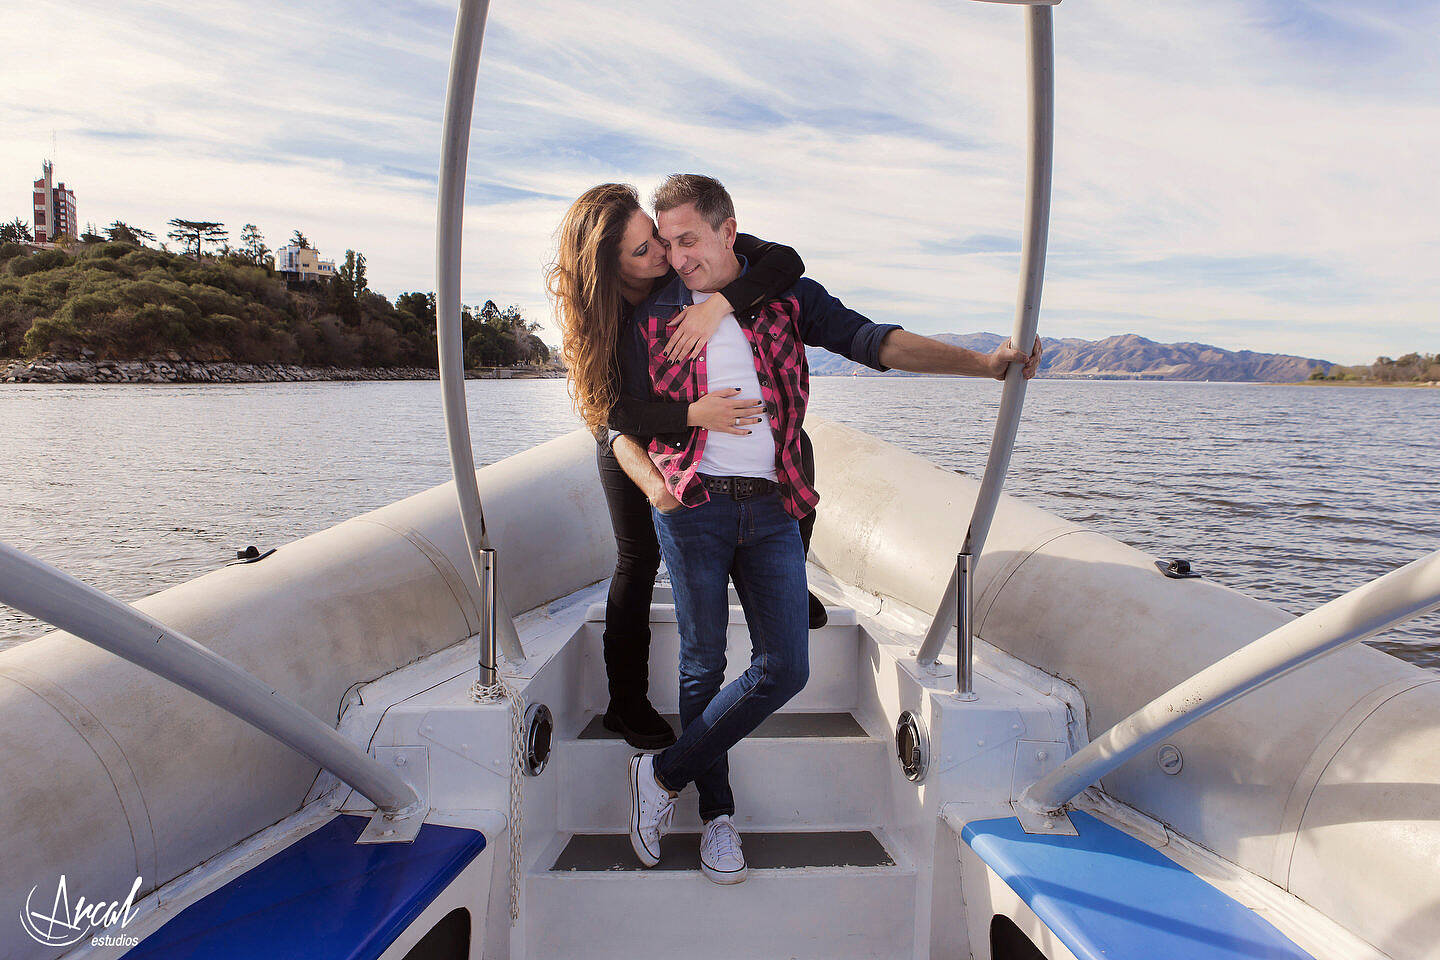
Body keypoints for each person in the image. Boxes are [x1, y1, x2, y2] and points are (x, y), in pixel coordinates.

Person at [620, 174, 1040, 884]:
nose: (679, 257)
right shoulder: (652, 309)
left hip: (775, 504)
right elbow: (622, 411)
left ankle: (658, 776)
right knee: (702, 666)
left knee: (786, 666)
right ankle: (717, 815)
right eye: (667, 242)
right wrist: (662, 486)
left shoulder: (785, 296)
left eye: (690, 239)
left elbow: (871, 341)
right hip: (693, 507)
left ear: (729, 230)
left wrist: (982, 365)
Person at [546, 183, 815, 751]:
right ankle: (626, 701)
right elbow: (613, 412)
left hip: (696, 419)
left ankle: (793, 583)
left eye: (658, 239)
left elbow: (786, 262)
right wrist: (692, 418)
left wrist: (722, 302)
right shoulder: (602, 317)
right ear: (607, 269)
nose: (664, 256)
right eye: (645, 252)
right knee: (637, 559)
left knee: (798, 452)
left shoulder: (681, 273)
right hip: (628, 433)